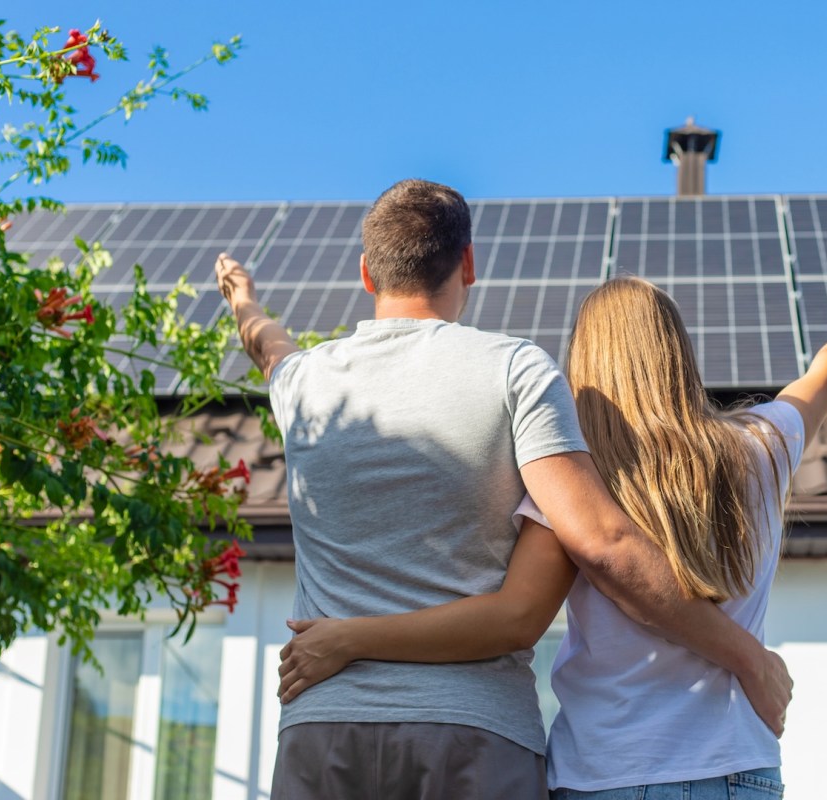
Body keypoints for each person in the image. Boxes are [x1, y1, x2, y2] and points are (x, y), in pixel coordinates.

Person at [276, 238, 827, 798]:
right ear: (678, 353)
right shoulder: (761, 450)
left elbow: (518, 611)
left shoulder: (572, 491)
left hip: (603, 771)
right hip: (739, 764)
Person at [214, 178, 793, 800]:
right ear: (467, 263)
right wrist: (747, 655)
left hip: (322, 729)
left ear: (366, 273)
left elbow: (268, 345)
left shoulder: (303, 382)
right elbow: (599, 543)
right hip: (471, 736)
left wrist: (244, 301)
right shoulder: (515, 369)